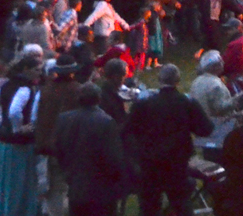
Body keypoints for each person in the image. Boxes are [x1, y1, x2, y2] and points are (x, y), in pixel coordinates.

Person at [124, 64, 215, 216]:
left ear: (159, 80)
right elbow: (206, 129)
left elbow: (128, 130)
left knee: (149, 207)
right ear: (177, 81)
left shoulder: (145, 103)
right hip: (176, 163)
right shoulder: (186, 103)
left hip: (150, 163)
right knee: (181, 204)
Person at [53, 83, 131, 216]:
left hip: (75, 183)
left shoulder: (64, 119)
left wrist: (67, 170)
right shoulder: (106, 122)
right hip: (101, 188)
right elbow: (114, 157)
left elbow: (58, 149)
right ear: (98, 99)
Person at [0, 54, 43, 216]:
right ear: (26, 70)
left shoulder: (6, 85)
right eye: (36, 70)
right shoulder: (25, 89)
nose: (39, 73)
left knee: (5, 183)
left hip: (5, 143)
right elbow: (14, 112)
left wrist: (1, 124)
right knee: (20, 183)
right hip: (21, 145)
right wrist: (18, 128)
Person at [35, 55, 83, 216]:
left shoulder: (46, 89)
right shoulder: (77, 90)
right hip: (68, 146)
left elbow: (40, 116)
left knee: (51, 185)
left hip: (47, 144)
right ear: (72, 72)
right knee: (66, 188)